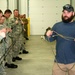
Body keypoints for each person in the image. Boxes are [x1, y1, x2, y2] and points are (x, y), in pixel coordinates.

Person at [45, 4, 75, 75]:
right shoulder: (57, 26)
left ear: (73, 13)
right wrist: (47, 34)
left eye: (68, 12)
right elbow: (50, 40)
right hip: (59, 62)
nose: (66, 14)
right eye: (64, 12)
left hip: (73, 62)